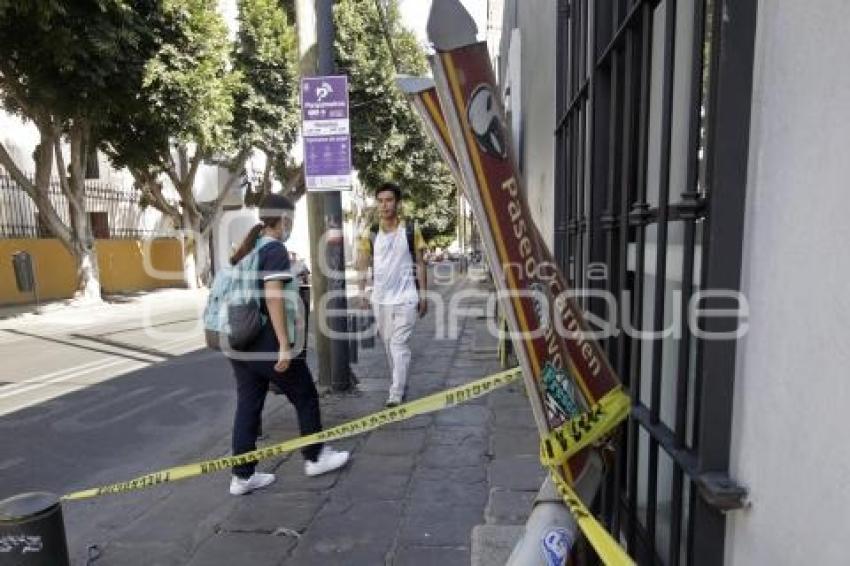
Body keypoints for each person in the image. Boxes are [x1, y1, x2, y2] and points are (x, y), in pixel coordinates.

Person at [226, 193, 349, 496]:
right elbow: (273, 296)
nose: (290, 224)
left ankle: (242, 476)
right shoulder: (274, 249)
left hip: (239, 342)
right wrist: (283, 344)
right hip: (266, 341)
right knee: (305, 395)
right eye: (290, 219)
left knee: (248, 407)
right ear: (282, 219)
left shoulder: (248, 248)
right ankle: (316, 456)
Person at [357, 182, 428, 407]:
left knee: (398, 344)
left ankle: (396, 392)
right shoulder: (371, 233)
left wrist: (423, 295)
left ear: (397, 203)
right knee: (388, 344)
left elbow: (420, 263)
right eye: (380, 200)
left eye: (389, 200)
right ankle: (399, 382)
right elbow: (363, 263)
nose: (384, 205)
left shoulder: (410, 230)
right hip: (380, 299)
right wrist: (361, 291)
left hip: (407, 297)